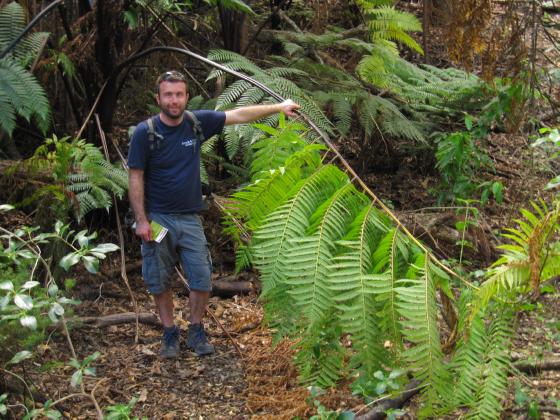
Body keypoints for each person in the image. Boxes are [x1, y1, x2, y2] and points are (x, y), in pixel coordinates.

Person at [128, 70, 299, 358]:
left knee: (202, 278)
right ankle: (169, 333)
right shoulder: (146, 133)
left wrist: (279, 107)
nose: (174, 100)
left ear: (186, 97)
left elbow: (240, 115)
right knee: (158, 280)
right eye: (168, 95)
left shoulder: (196, 123)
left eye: (179, 94)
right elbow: (135, 177)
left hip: (191, 218)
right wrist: (142, 220)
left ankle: (195, 329)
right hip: (158, 219)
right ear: (158, 98)